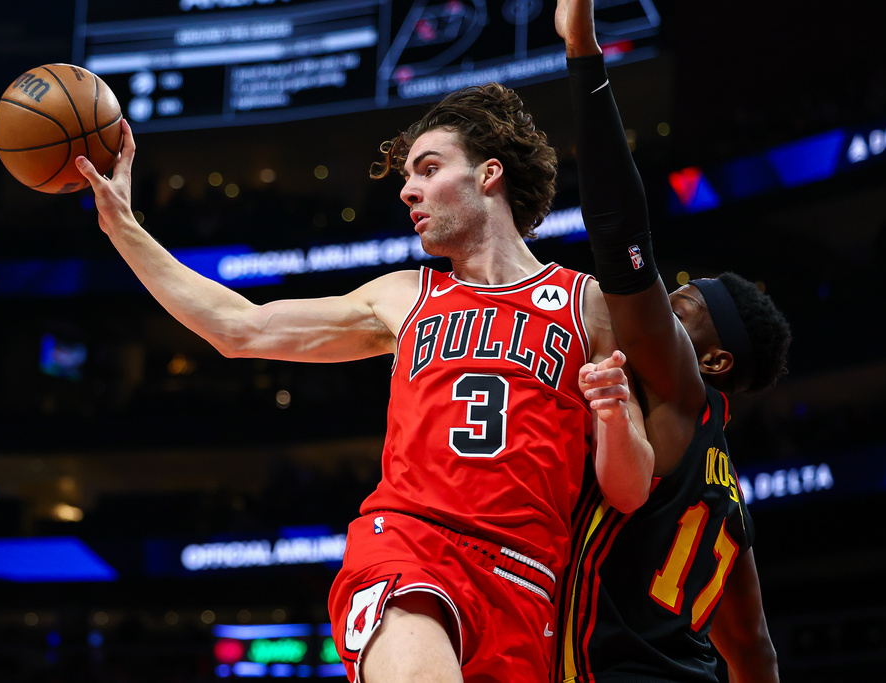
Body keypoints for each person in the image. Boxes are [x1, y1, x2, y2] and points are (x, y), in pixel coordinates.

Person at [75, 82, 654, 680]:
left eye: (428, 169)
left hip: (526, 582)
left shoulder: (587, 305)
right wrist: (124, 228)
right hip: (411, 547)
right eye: (407, 176)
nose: (408, 190)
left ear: (489, 175)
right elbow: (237, 328)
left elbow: (630, 489)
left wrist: (612, 416)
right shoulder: (405, 297)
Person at [553, 1, 790, 681]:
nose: (653, 319)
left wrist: (583, 53)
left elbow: (620, 235)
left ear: (713, 360)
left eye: (680, 311)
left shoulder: (680, 387)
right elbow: (753, 650)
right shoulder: (730, 499)